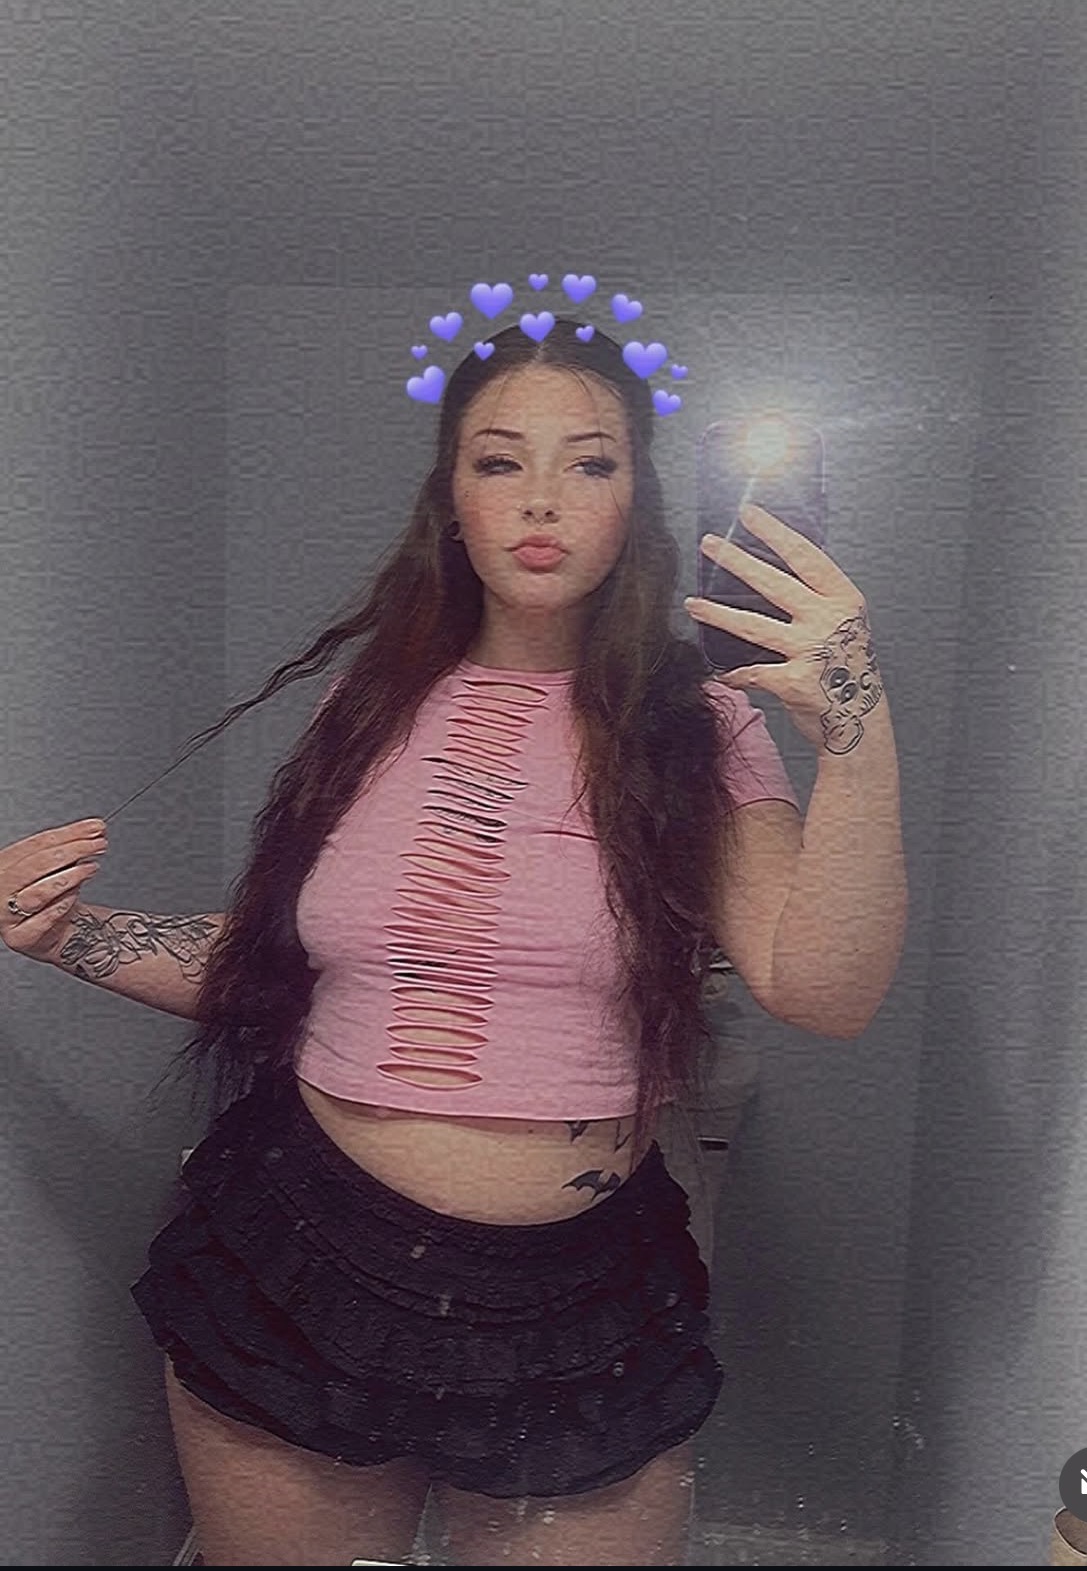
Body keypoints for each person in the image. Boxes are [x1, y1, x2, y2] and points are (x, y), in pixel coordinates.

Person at [0, 317, 805, 1566]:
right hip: (302, 1249)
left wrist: (852, 715)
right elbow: (284, 974)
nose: (541, 497)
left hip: (579, 1294)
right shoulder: (366, 701)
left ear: (637, 498)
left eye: (590, 461)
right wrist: (67, 934)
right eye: (500, 460)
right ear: (451, 498)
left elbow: (822, 983)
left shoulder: (702, 727)